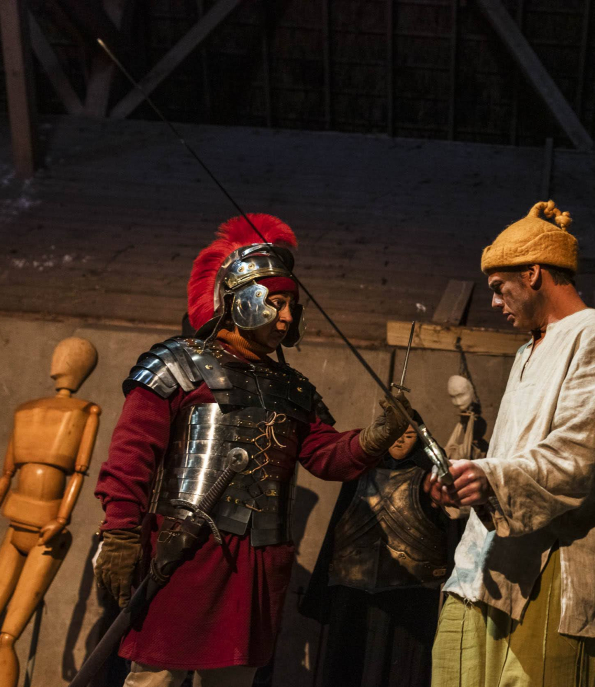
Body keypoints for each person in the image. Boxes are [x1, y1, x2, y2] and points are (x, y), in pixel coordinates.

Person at [93, 214, 411, 687]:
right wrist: (120, 531)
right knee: (155, 679)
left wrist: (377, 435)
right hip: (185, 550)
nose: (287, 317)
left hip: (258, 562)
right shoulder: (178, 363)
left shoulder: (294, 387)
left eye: (291, 307)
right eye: (275, 303)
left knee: (236, 681)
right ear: (240, 300)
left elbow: (326, 455)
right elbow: (132, 453)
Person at [425, 200, 595, 687]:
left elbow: (574, 458)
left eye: (499, 288)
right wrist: (465, 480)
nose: (495, 302)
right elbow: (508, 456)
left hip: (554, 563)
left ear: (534, 274)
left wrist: (488, 479)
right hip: (485, 562)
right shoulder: (528, 349)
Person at [301, 411, 449, 687]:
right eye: (394, 434)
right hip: (353, 591)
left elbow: (448, 538)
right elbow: (337, 531)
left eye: (408, 434)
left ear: (420, 437)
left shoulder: (432, 479)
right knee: (346, 668)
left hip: (410, 595)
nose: (400, 440)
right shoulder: (359, 473)